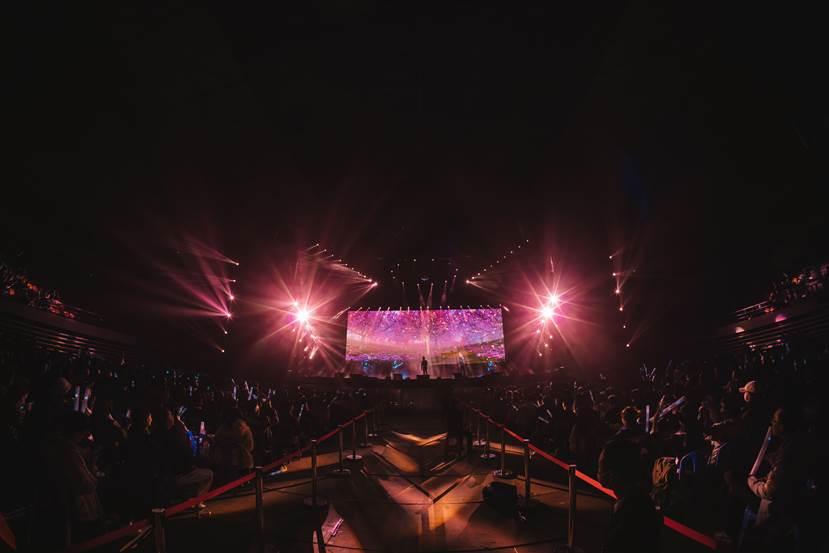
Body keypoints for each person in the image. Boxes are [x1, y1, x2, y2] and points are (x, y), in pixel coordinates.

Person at [598, 439, 661, 553]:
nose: (599, 472)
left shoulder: (631, 511)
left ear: (615, 473)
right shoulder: (635, 499)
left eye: (602, 466)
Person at [152, 406, 213, 506]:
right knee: (208, 474)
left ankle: (188, 499)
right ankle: (197, 503)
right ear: (166, 418)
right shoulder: (174, 435)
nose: (173, 417)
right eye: (170, 415)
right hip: (175, 475)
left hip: (165, 475)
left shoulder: (158, 434)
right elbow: (185, 455)